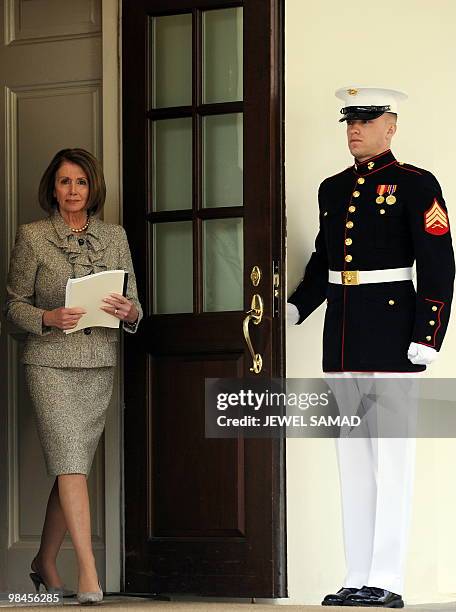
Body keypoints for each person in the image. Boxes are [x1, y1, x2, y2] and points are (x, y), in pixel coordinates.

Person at [287, 87, 454, 607]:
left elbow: (438, 260)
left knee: (392, 462)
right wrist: (297, 307)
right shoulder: (332, 189)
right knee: (353, 463)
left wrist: (427, 335)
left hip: (393, 337)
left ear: (391, 126)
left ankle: (387, 580)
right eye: (349, 121)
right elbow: (324, 261)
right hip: (343, 335)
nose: (355, 129)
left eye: (367, 119)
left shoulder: (415, 184)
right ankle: (358, 574)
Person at [4, 148, 143, 604]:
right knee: (69, 462)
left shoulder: (114, 235)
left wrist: (128, 311)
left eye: (80, 182)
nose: (73, 191)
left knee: (73, 466)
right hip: (49, 364)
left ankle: (44, 561)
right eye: (64, 182)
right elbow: (12, 307)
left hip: (98, 363)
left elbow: (135, 303)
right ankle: (89, 574)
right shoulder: (33, 236)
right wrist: (48, 316)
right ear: (53, 188)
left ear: (92, 187)